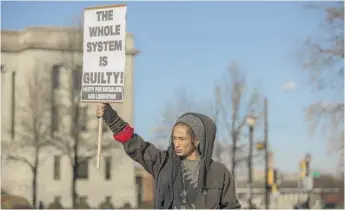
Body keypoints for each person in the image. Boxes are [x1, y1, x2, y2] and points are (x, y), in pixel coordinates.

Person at [96, 103, 241, 209]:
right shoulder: (163, 163)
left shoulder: (218, 172)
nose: (176, 144)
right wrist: (111, 118)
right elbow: (136, 145)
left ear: (196, 140)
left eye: (182, 139)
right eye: (174, 138)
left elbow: (231, 207)